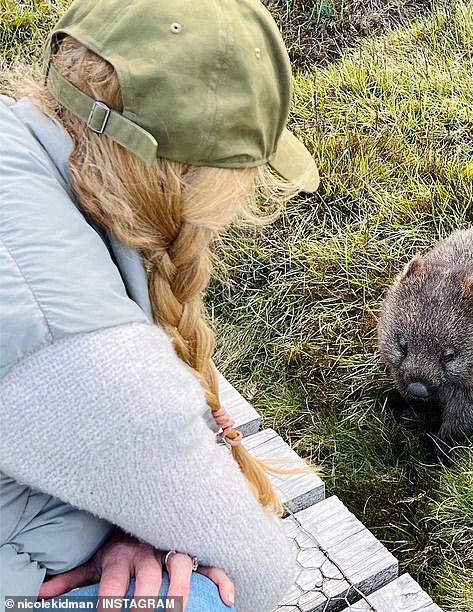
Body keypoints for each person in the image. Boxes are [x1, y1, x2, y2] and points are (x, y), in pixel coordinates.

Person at [0, 0, 319, 610]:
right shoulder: (83, 352)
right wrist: (157, 519)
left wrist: (131, 520)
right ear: (186, 179)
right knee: (200, 594)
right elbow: (258, 577)